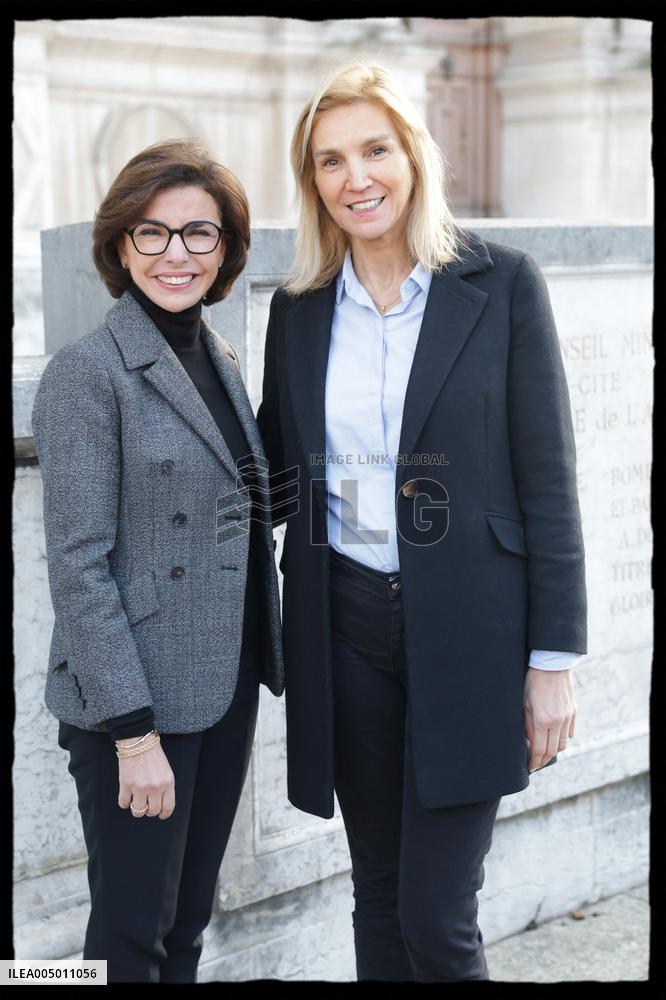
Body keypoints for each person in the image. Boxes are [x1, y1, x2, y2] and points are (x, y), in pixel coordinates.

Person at [257, 62, 586, 982]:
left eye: (375, 150)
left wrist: (553, 662)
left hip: (473, 634)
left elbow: (548, 481)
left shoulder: (502, 284)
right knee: (378, 896)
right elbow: (276, 469)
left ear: (413, 156)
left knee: (437, 918)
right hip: (344, 626)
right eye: (330, 160)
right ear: (312, 180)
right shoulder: (299, 309)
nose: (355, 178)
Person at [32, 138, 284, 984]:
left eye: (199, 233)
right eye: (153, 232)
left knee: (185, 926)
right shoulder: (87, 375)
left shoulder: (219, 357)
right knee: (132, 937)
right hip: (135, 704)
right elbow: (78, 566)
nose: (177, 254)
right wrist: (132, 736)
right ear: (120, 245)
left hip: (223, 683)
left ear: (227, 248)